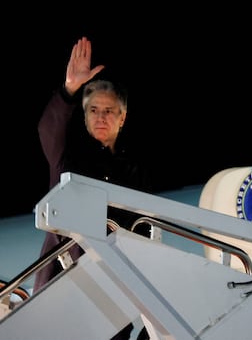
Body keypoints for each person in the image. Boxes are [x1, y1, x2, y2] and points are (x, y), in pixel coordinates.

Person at [34, 36, 152, 339]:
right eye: (94, 110)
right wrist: (69, 90)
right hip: (64, 286)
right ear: (85, 117)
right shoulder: (68, 158)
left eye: (109, 110)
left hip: (113, 293)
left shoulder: (134, 171)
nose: (101, 117)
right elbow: (49, 129)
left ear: (122, 117)